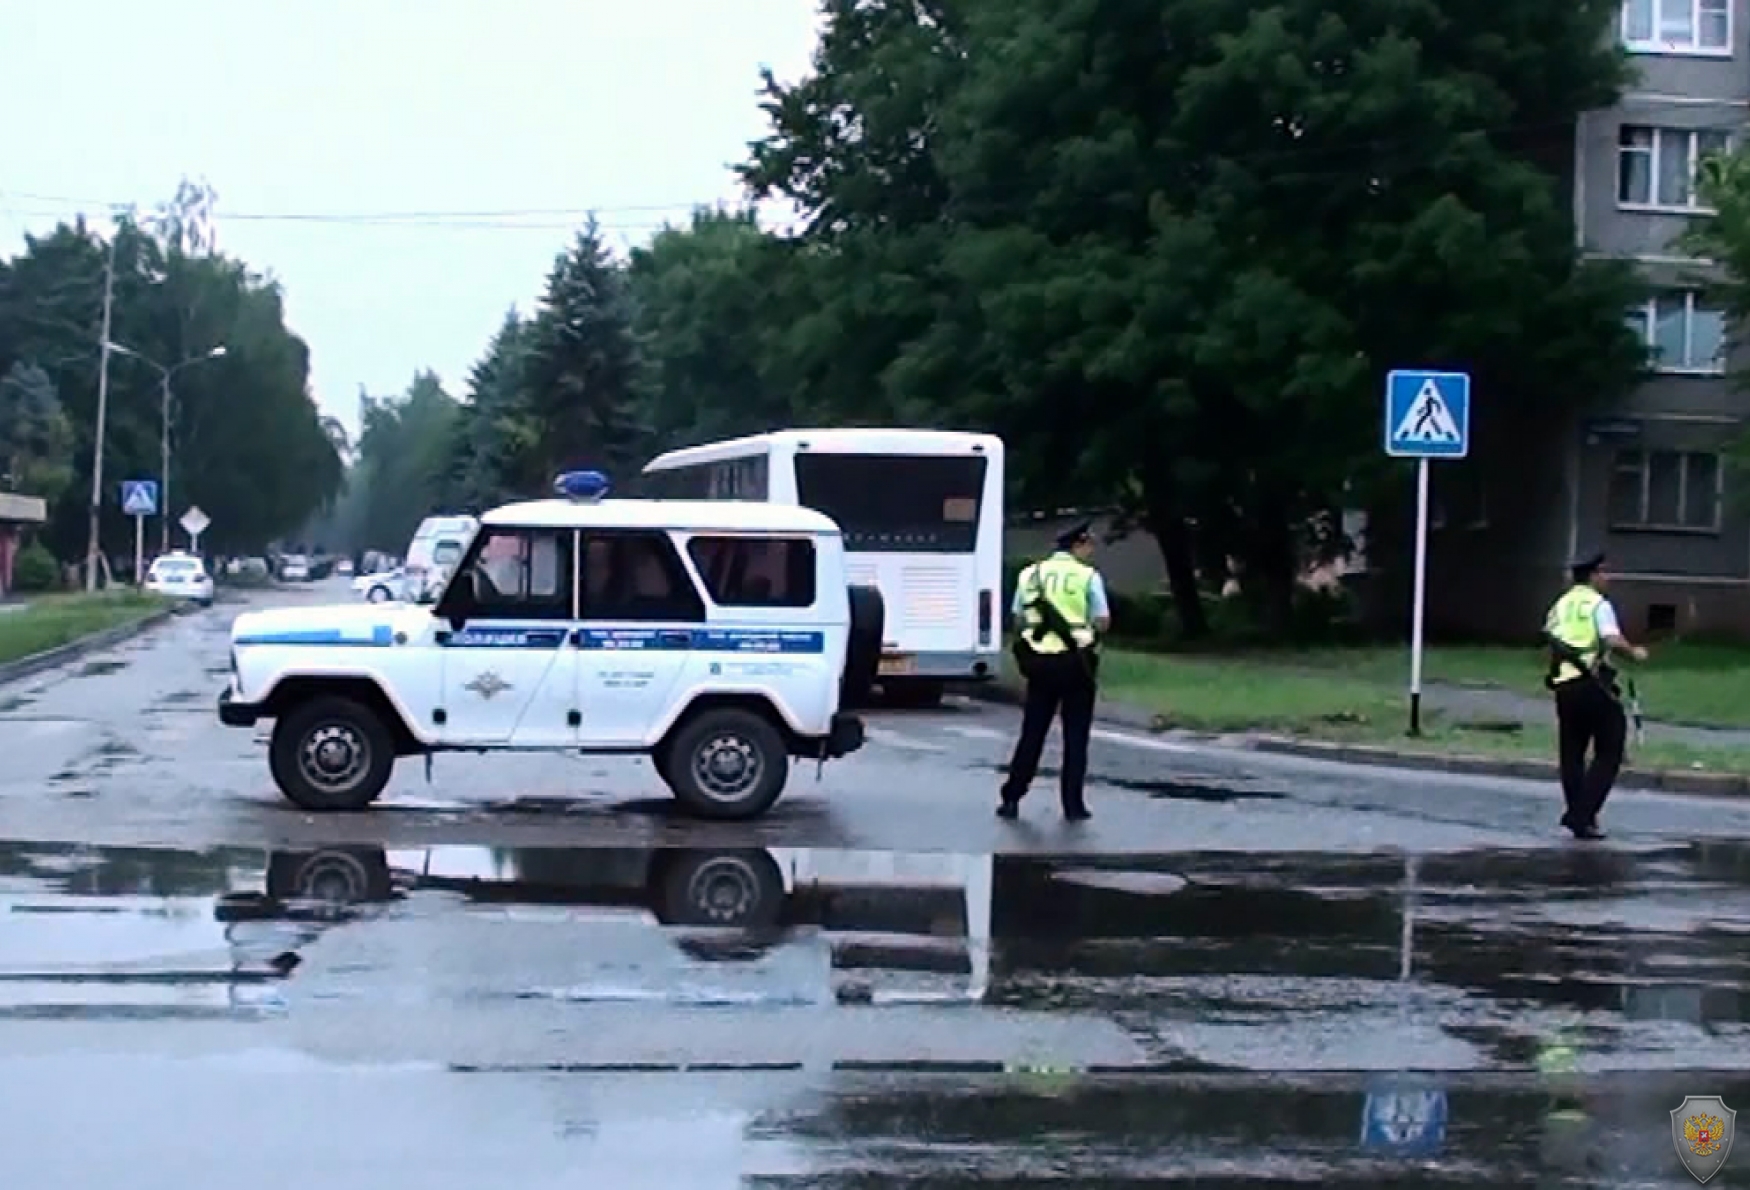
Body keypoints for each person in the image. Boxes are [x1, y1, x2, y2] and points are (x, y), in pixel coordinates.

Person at [998, 521, 1111, 822]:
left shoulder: (1030, 575)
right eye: (1089, 545)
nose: (1091, 551)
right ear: (1079, 544)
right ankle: (1073, 805)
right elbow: (1102, 620)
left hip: (1040, 665)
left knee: (1032, 733)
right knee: (1076, 738)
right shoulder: (1088, 576)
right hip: (1076, 665)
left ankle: (1012, 796)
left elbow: (1018, 617)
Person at [1542, 550, 1647, 840]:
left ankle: (1580, 814)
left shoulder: (1560, 604)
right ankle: (1582, 814)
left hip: (1564, 685)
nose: (1608, 578)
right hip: (1590, 684)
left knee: (1571, 753)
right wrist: (1634, 651)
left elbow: (1551, 638)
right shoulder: (1597, 604)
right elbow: (1611, 638)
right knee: (1611, 747)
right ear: (1592, 576)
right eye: (1605, 572)